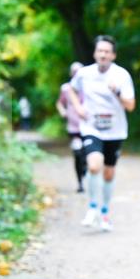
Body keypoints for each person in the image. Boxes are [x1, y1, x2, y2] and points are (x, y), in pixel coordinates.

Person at [68, 36, 136, 232]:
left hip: (115, 131)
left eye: (107, 51)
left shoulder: (122, 75)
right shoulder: (84, 73)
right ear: (95, 53)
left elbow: (130, 105)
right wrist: (78, 107)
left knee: (108, 173)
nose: (103, 54)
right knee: (94, 165)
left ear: (113, 55)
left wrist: (116, 92)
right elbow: (70, 90)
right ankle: (92, 207)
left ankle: (105, 212)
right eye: (100, 51)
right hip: (91, 127)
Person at [56, 61, 86, 192]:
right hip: (73, 127)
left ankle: (86, 170)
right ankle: (80, 182)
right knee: (77, 154)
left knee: (87, 154)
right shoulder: (66, 88)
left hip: (89, 126)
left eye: (78, 71)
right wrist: (63, 111)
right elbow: (60, 103)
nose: (76, 74)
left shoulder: (88, 86)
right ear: (70, 73)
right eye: (74, 72)